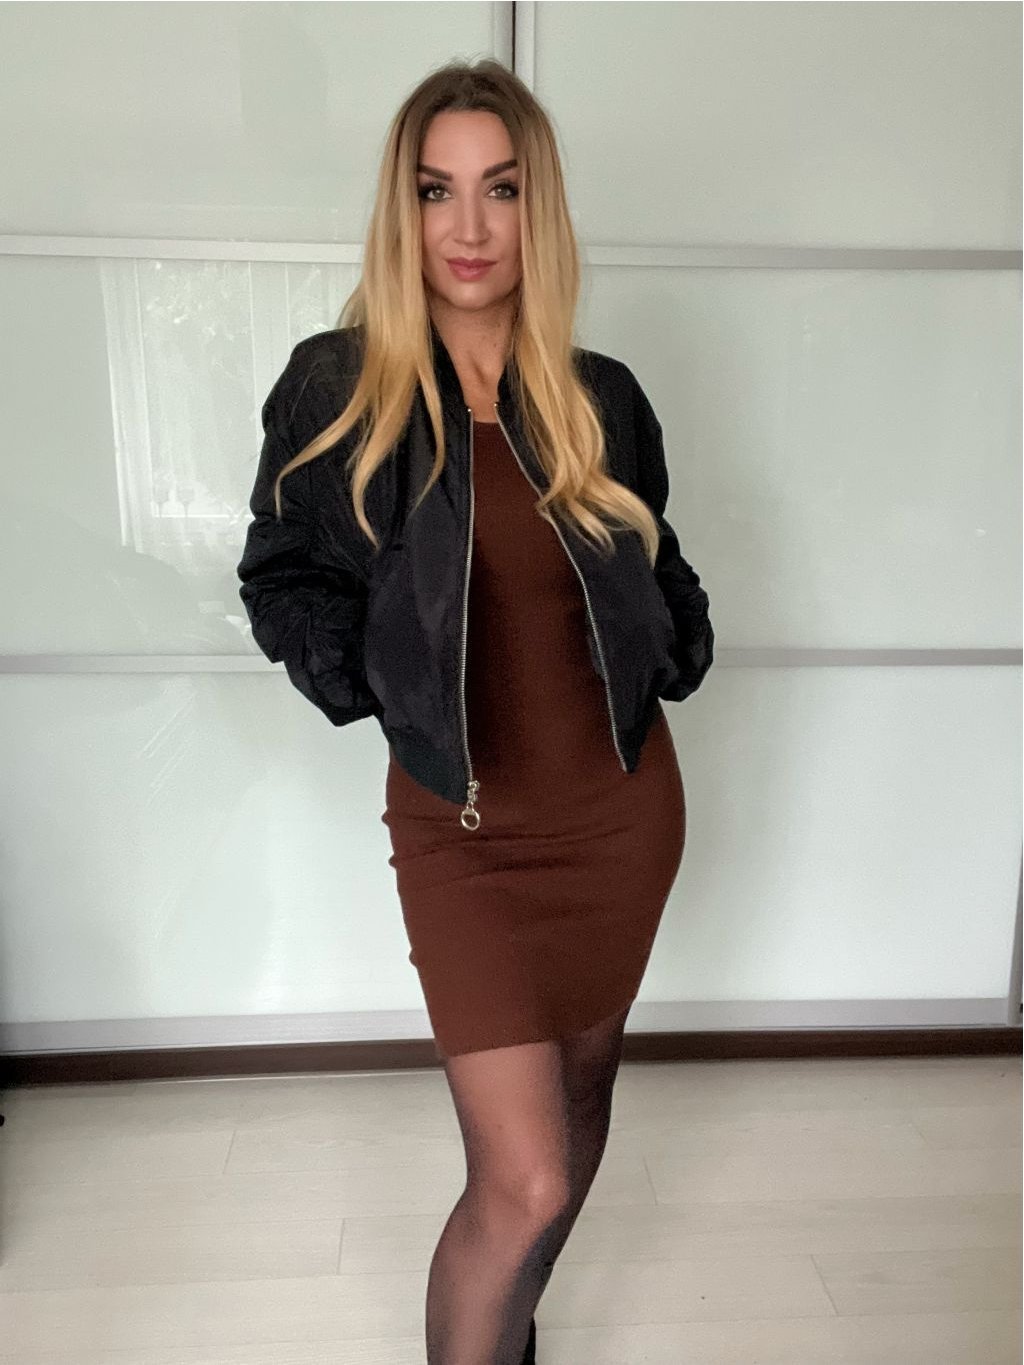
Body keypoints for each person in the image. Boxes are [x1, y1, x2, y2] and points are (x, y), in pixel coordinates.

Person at [237, 58, 714, 1365]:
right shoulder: (341, 384)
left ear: (536, 209)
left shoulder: (600, 395)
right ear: (401, 210)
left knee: (580, 1103)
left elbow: (656, 559)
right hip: (463, 827)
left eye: (500, 191)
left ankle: (509, 1331)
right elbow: (281, 572)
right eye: (434, 190)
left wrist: (679, 642)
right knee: (527, 1178)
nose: (467, 226)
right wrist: (371, 681)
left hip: (620, 813)